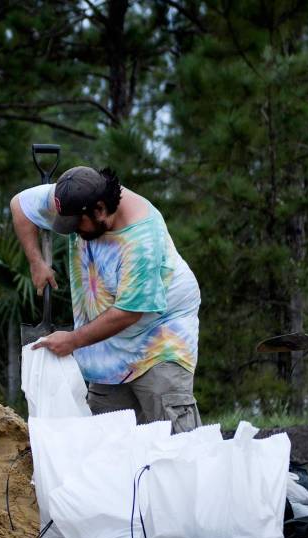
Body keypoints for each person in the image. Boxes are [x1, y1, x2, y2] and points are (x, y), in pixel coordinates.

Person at [11, 166, 202, 431]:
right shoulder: (75, 194)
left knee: (172, 436)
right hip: (107, 343)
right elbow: (19, 206)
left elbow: (129, 312)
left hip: (158, 334)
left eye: (77, 224)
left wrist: (73, 340)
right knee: (105, 441)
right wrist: (36, 262)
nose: (74, 231)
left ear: (100, 210)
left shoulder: (141, 237)